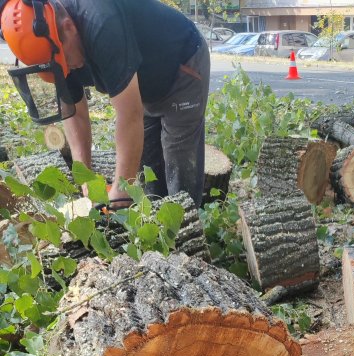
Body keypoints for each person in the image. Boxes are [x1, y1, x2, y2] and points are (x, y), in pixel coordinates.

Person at [0, 0, 209, 208]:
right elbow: (74, 113)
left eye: (66, 61)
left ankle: (188, 223)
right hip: (142, 82)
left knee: (180, 168)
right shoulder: (53, 46)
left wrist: (121, 189)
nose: (69, 69)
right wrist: (86, 179)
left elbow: (129, 114)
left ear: (69, 27)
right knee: (149, 168)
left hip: (182, 65)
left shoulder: (101, 22)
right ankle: (157, 226)